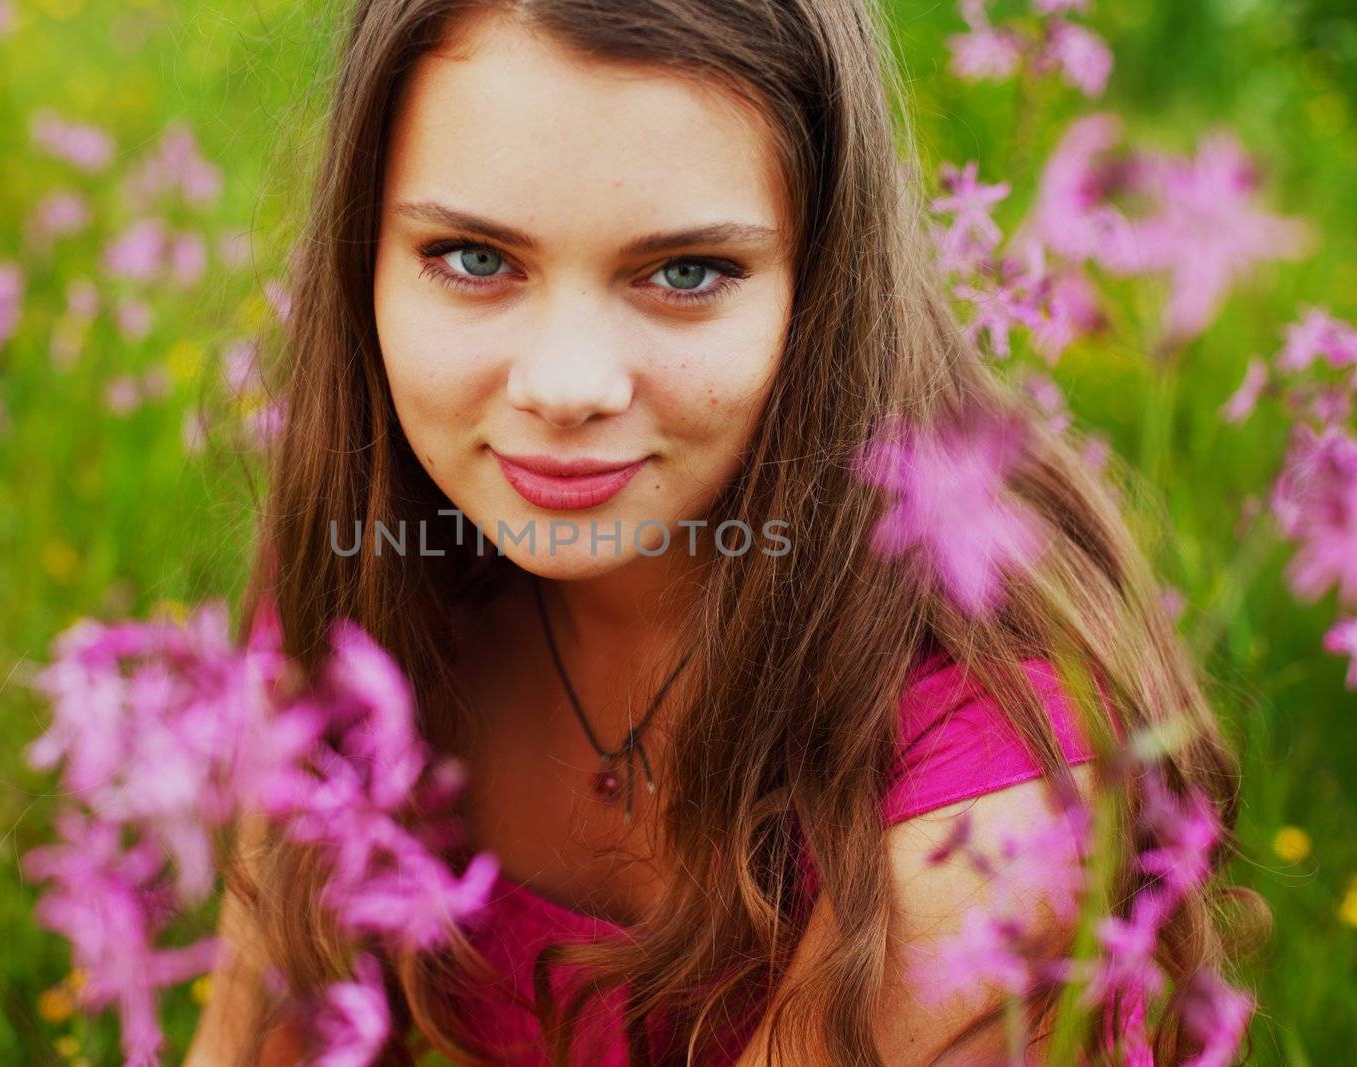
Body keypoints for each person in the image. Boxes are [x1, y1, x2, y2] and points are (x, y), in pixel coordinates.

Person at [185, 1, 1249, 1064]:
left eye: (687, 273)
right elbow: (256, 1031)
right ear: (361, 258)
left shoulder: (986, 796)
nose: (567, 386)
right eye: (471, 257)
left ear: (822, 287)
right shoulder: (373, 573)